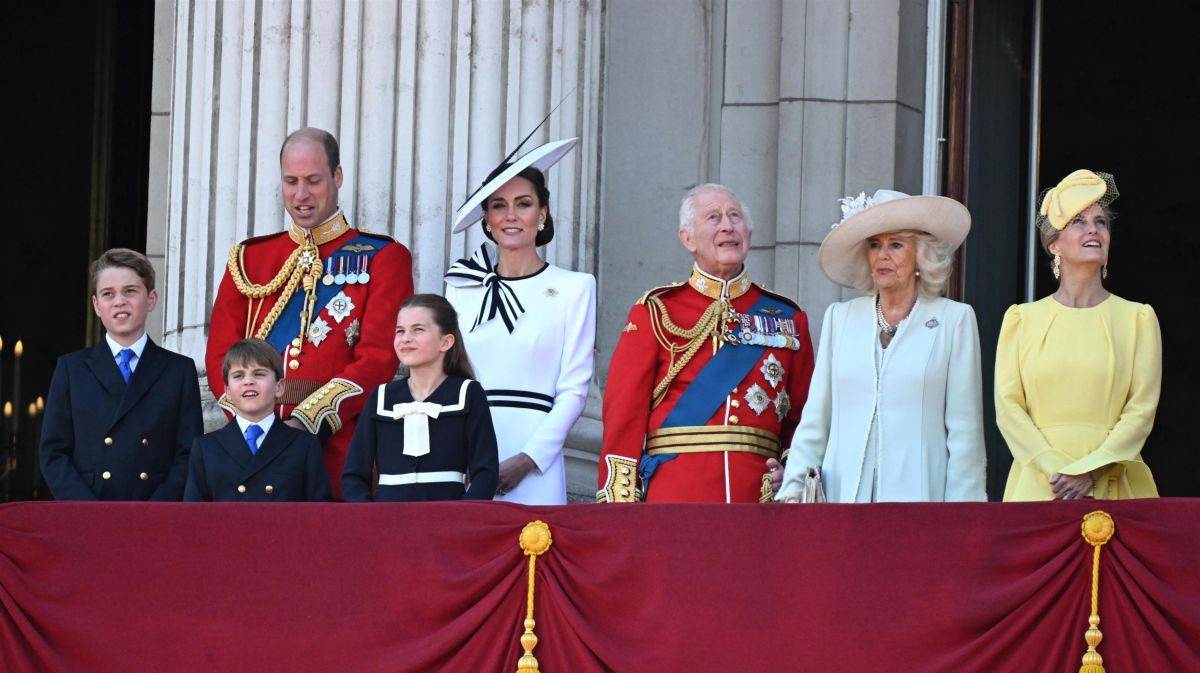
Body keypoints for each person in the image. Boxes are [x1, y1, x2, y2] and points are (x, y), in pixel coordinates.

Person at [205, 127, 414, 499]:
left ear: (337, 177)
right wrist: (254, 425)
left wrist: (307, 420)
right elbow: (221, 356)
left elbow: (379, 359)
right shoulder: (249, 259)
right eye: (291, 181)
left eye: (313, 181)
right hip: (251, 449)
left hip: (336, 451)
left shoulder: (383, 258)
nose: (301, 195)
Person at [599, 183, 815, 503]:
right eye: (713, 217)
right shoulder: (656, 311)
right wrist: (619, 503)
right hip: (674, 495)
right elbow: (624, 414)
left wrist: (791, 471)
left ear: (749, 234)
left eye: (735, 216)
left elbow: (805, 416)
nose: (728, 225)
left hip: (759, 497)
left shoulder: (787, 316)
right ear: (687, 238)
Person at [773, 190, 986, 503]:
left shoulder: (953, 320)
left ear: (921, 256)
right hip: (843, 499)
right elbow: (817, 417)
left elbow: (965, 435)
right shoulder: (840, 317)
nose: (882, 255)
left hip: (920, 502)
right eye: (875, 245)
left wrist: (963, 518)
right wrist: (792, 489)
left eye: (896, 245)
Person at [444, 137, 594, 505]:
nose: (511, 215)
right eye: (499, 206)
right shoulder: (461, 287)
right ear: (488, 220)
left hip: (536, 460)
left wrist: (528, 460)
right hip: (466, 453)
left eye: (523, 204)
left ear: (541, 214)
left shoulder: (575, 287)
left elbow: (574, 390)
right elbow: (446, 377)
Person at [997, 169, 1160, 500]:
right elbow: (1008, 408)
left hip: (1112, 485)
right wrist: (1056, 468)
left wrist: (1093, 470)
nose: (1093, 230)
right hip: (1040, 486)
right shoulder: (1021, 319)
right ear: (1054, 243)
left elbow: (1141, 410)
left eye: (1101, 222)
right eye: (1078, 221)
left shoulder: (1138, 319)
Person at [39, 248, 203, 500]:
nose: (119, 301)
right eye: (108, 294)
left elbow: (189, 453)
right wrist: (87, 510)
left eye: (130, 291)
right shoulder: (71, 369)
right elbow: (53, 453)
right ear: (96, 305)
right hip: (88, 516)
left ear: (151, 299)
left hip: (154, 516)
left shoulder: (179, 370)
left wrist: (154, 510)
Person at [342, 295, 499, 501]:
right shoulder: (381, 397)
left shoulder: (468, 393)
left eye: (418, 330)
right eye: (400, 331)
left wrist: (462, 520)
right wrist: (372, 518)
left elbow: (486, 473)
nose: (406, 338)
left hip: (448, 521)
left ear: (446, 341)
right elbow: (353, 475)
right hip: (387, 522)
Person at [185, 339, 331, 501]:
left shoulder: (305, 446)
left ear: (279, 387)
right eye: (238, 376)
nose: (248, 381)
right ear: (227, 391)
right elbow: (194, 518)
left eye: (259, 374)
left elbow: (318, 517)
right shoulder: (205, 448)